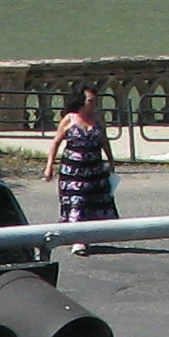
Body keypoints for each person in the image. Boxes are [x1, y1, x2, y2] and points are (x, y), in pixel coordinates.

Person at [52, 85, 117, 245]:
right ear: (81, 101)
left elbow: (104, 141)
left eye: (95, 101)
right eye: (90, 101)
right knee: (76, 202)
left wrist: (111, 161)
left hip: (95, 169)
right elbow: (56, 142)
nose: (94, 104)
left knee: (93, 203)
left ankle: (86, 236)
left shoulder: (98, 118)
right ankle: (77, 240)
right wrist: (49, 166)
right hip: (73, 171)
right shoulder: (69, 118)